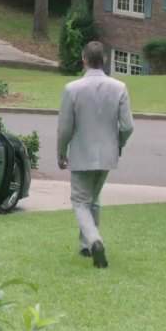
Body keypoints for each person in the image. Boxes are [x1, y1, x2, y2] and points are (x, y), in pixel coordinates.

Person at [57, 41, 134, 268]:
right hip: (108, 154)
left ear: (84, 59)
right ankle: (86, 245)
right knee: (94, 198)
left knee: (80, 201)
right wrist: (118, 143)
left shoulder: (72, 89)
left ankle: (94, 240)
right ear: (105, 60)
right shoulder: (119, 87)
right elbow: (128, 126)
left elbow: (65, 128)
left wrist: (61, 152)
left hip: (81, 154)